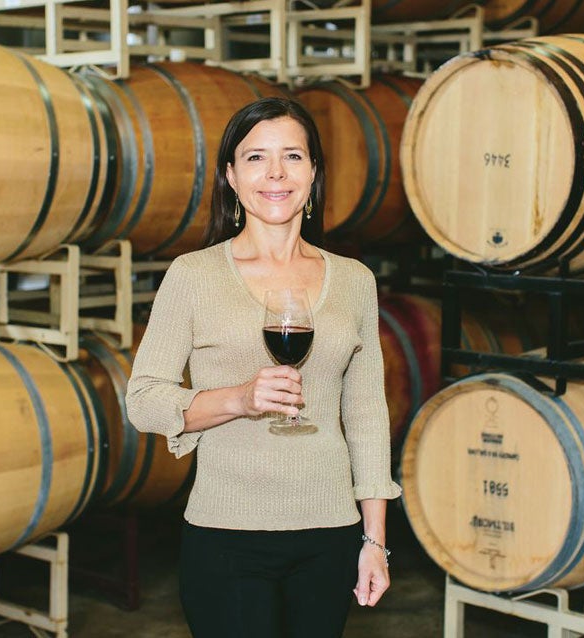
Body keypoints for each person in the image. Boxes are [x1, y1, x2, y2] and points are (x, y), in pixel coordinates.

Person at [125, 97, 401, 638]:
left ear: (314, 171)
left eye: (293, 156)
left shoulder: (354, 281)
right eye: (255, 158)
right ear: (230, 175)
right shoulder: (193, 275)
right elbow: (143, 399)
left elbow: (368, 415)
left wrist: (374, 543)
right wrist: (239, 400)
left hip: (331, 535)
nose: (275, 173)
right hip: (227, 538)